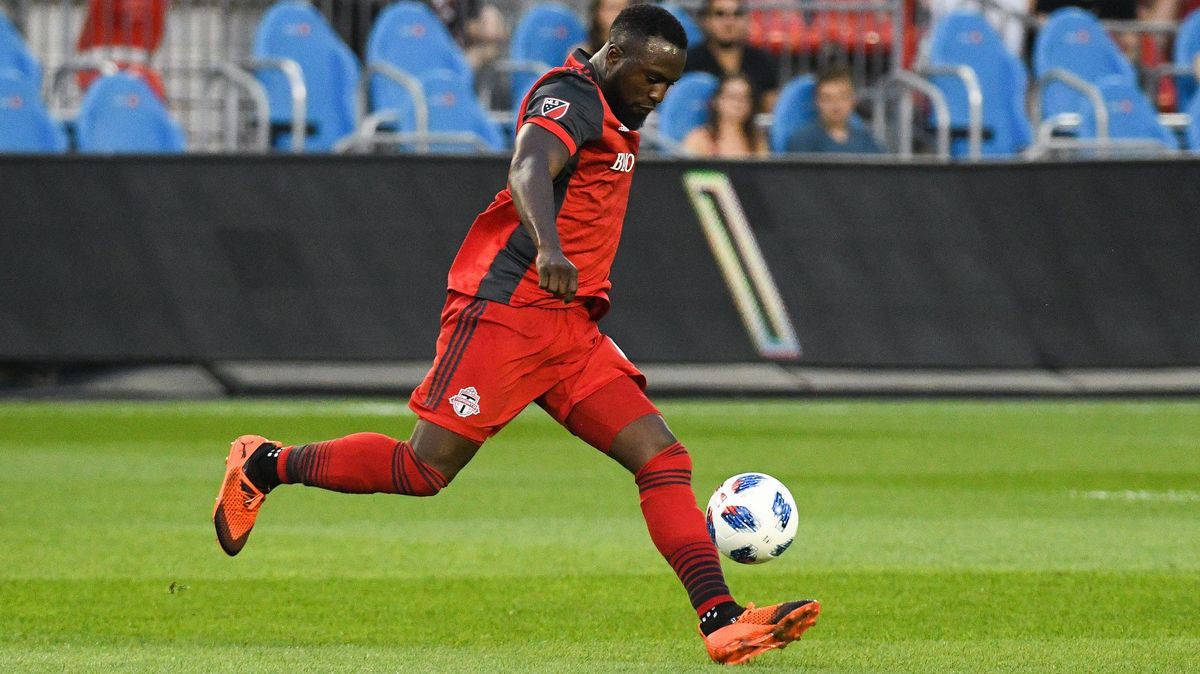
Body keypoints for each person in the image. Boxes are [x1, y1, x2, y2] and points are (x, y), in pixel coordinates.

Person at [211, 4, 819, 667]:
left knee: (663, 459)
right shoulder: (570, 97)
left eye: (668, 84)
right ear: (614, 58)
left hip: (569, 326)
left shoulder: (615, 108)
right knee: (421, 470)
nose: (657, 94)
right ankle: (264, 464)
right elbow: (528, 167)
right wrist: (549, 247)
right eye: (650, 78)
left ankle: (721, 620)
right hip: (507, 311)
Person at [683, 0, 779, 112]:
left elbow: (771, 106)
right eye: (720, 14)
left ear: (747, 19)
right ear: (706, 20)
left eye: (737, 14)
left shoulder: (762, 61)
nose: (729, 22)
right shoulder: (688, 61)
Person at [786, 66, 883, 154]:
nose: (835, 104)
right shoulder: (802, 141)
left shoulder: (866, 140)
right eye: (827, 98)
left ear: (853, 100)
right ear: (817, 102)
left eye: (842, 97)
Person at [682, 72, 768, 158]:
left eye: (745, 97)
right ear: (717, 101)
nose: (739, 103)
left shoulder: (757, 142)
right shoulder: (698, 139)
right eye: (733, 96)